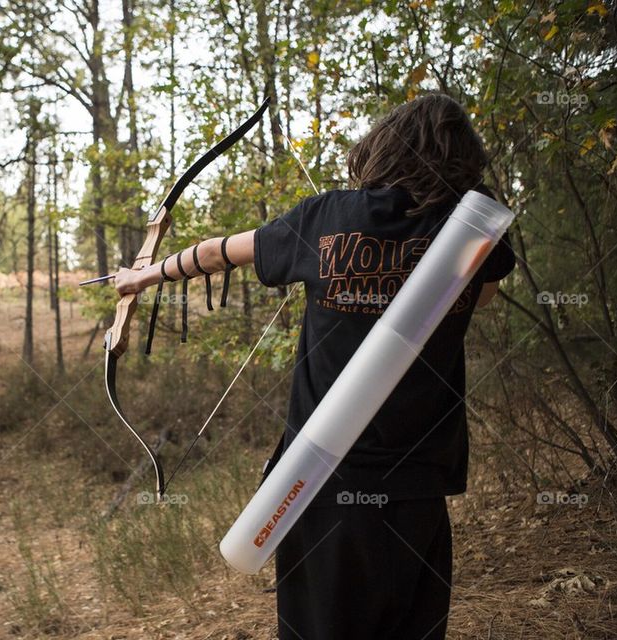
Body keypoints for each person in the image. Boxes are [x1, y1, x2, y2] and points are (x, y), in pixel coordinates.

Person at [114, 93, 516, 640]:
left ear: (385, 148)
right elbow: (485, 297)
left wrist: (144, 276)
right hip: (417, 488)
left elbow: (215, 254)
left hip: (319, 485)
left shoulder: (328, 217)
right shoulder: (473, 231)